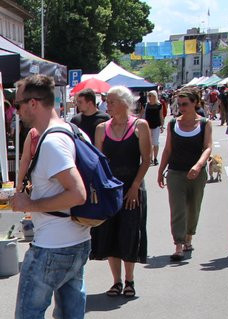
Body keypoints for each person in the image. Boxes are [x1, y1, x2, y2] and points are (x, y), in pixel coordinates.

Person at [9, 74, 90, 319]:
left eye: (18, 103)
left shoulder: (54, 143)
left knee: (28, 316)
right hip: (77, 240)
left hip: (54, 245)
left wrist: (31, 206)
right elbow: (27, 184)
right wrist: (27, 157)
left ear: (33, 103)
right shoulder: (71, 131)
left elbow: (77, 193)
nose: (16, 110)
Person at [90, 86, 151, 298]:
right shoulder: (101, 128)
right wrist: (97, 187)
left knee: (130, 232)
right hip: (109, 189)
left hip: (132, 188)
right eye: (107, 101)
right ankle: (116, 281)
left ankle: (129, 280)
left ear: (125, 103)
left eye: (112, 101)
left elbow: (146, 161)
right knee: (109, 234)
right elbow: (98, 161)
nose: (108, 104)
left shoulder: (139, 126)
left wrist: (135, 187)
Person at [158, 87, 213, 261]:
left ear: (195, 103)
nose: (182, 108)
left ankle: (189, 236)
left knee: (193, 207)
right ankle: (179, 245)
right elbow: (167, 149)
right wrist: (160, 171)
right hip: (175, 172)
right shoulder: (173, 124)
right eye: (179, 104)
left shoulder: (204, 123)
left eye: (185, 104)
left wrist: (198, 165)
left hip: (197, 173)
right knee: (177, 208)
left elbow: (208, 148)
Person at [143, 90, 164, 165]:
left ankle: (155, 158)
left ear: (155, 96)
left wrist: (162, 125)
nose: (149, 97)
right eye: (149, 96)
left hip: (156, 125)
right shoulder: (147, 105)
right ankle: (150, 158)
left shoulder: (159, 105)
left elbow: (161, 116)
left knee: (155, 142)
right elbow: (144, 115)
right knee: (149, 142)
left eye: (150, 95)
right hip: (148, 125)